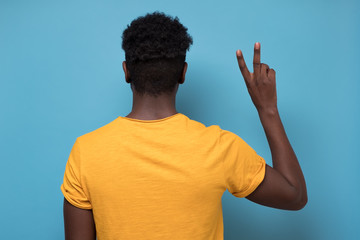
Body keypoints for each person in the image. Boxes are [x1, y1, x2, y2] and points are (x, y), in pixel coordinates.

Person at [61, 11, 307, 240]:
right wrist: (268, 109)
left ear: (126, 71)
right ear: (183, 73)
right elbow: (294, 195)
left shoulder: (86, 151)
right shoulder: (219, 147)